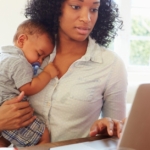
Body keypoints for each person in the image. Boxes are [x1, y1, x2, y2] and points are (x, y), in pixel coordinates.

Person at [0, 0, 127, 146]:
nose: (87, 18)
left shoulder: (111, 65)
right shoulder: (31, 51)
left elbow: (119, 137)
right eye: (76, 7)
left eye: (94, 9)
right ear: (55, 6)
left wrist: (106, 129)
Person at [0, 19, 59, 147]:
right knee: (43, 135)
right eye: (39, 54)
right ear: (21, 40)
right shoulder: (19, 62)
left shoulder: (3, 54)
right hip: (8, 106)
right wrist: (47, 74)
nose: (39, 61)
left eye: (43, 58)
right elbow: (28, 88)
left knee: (5, 140)